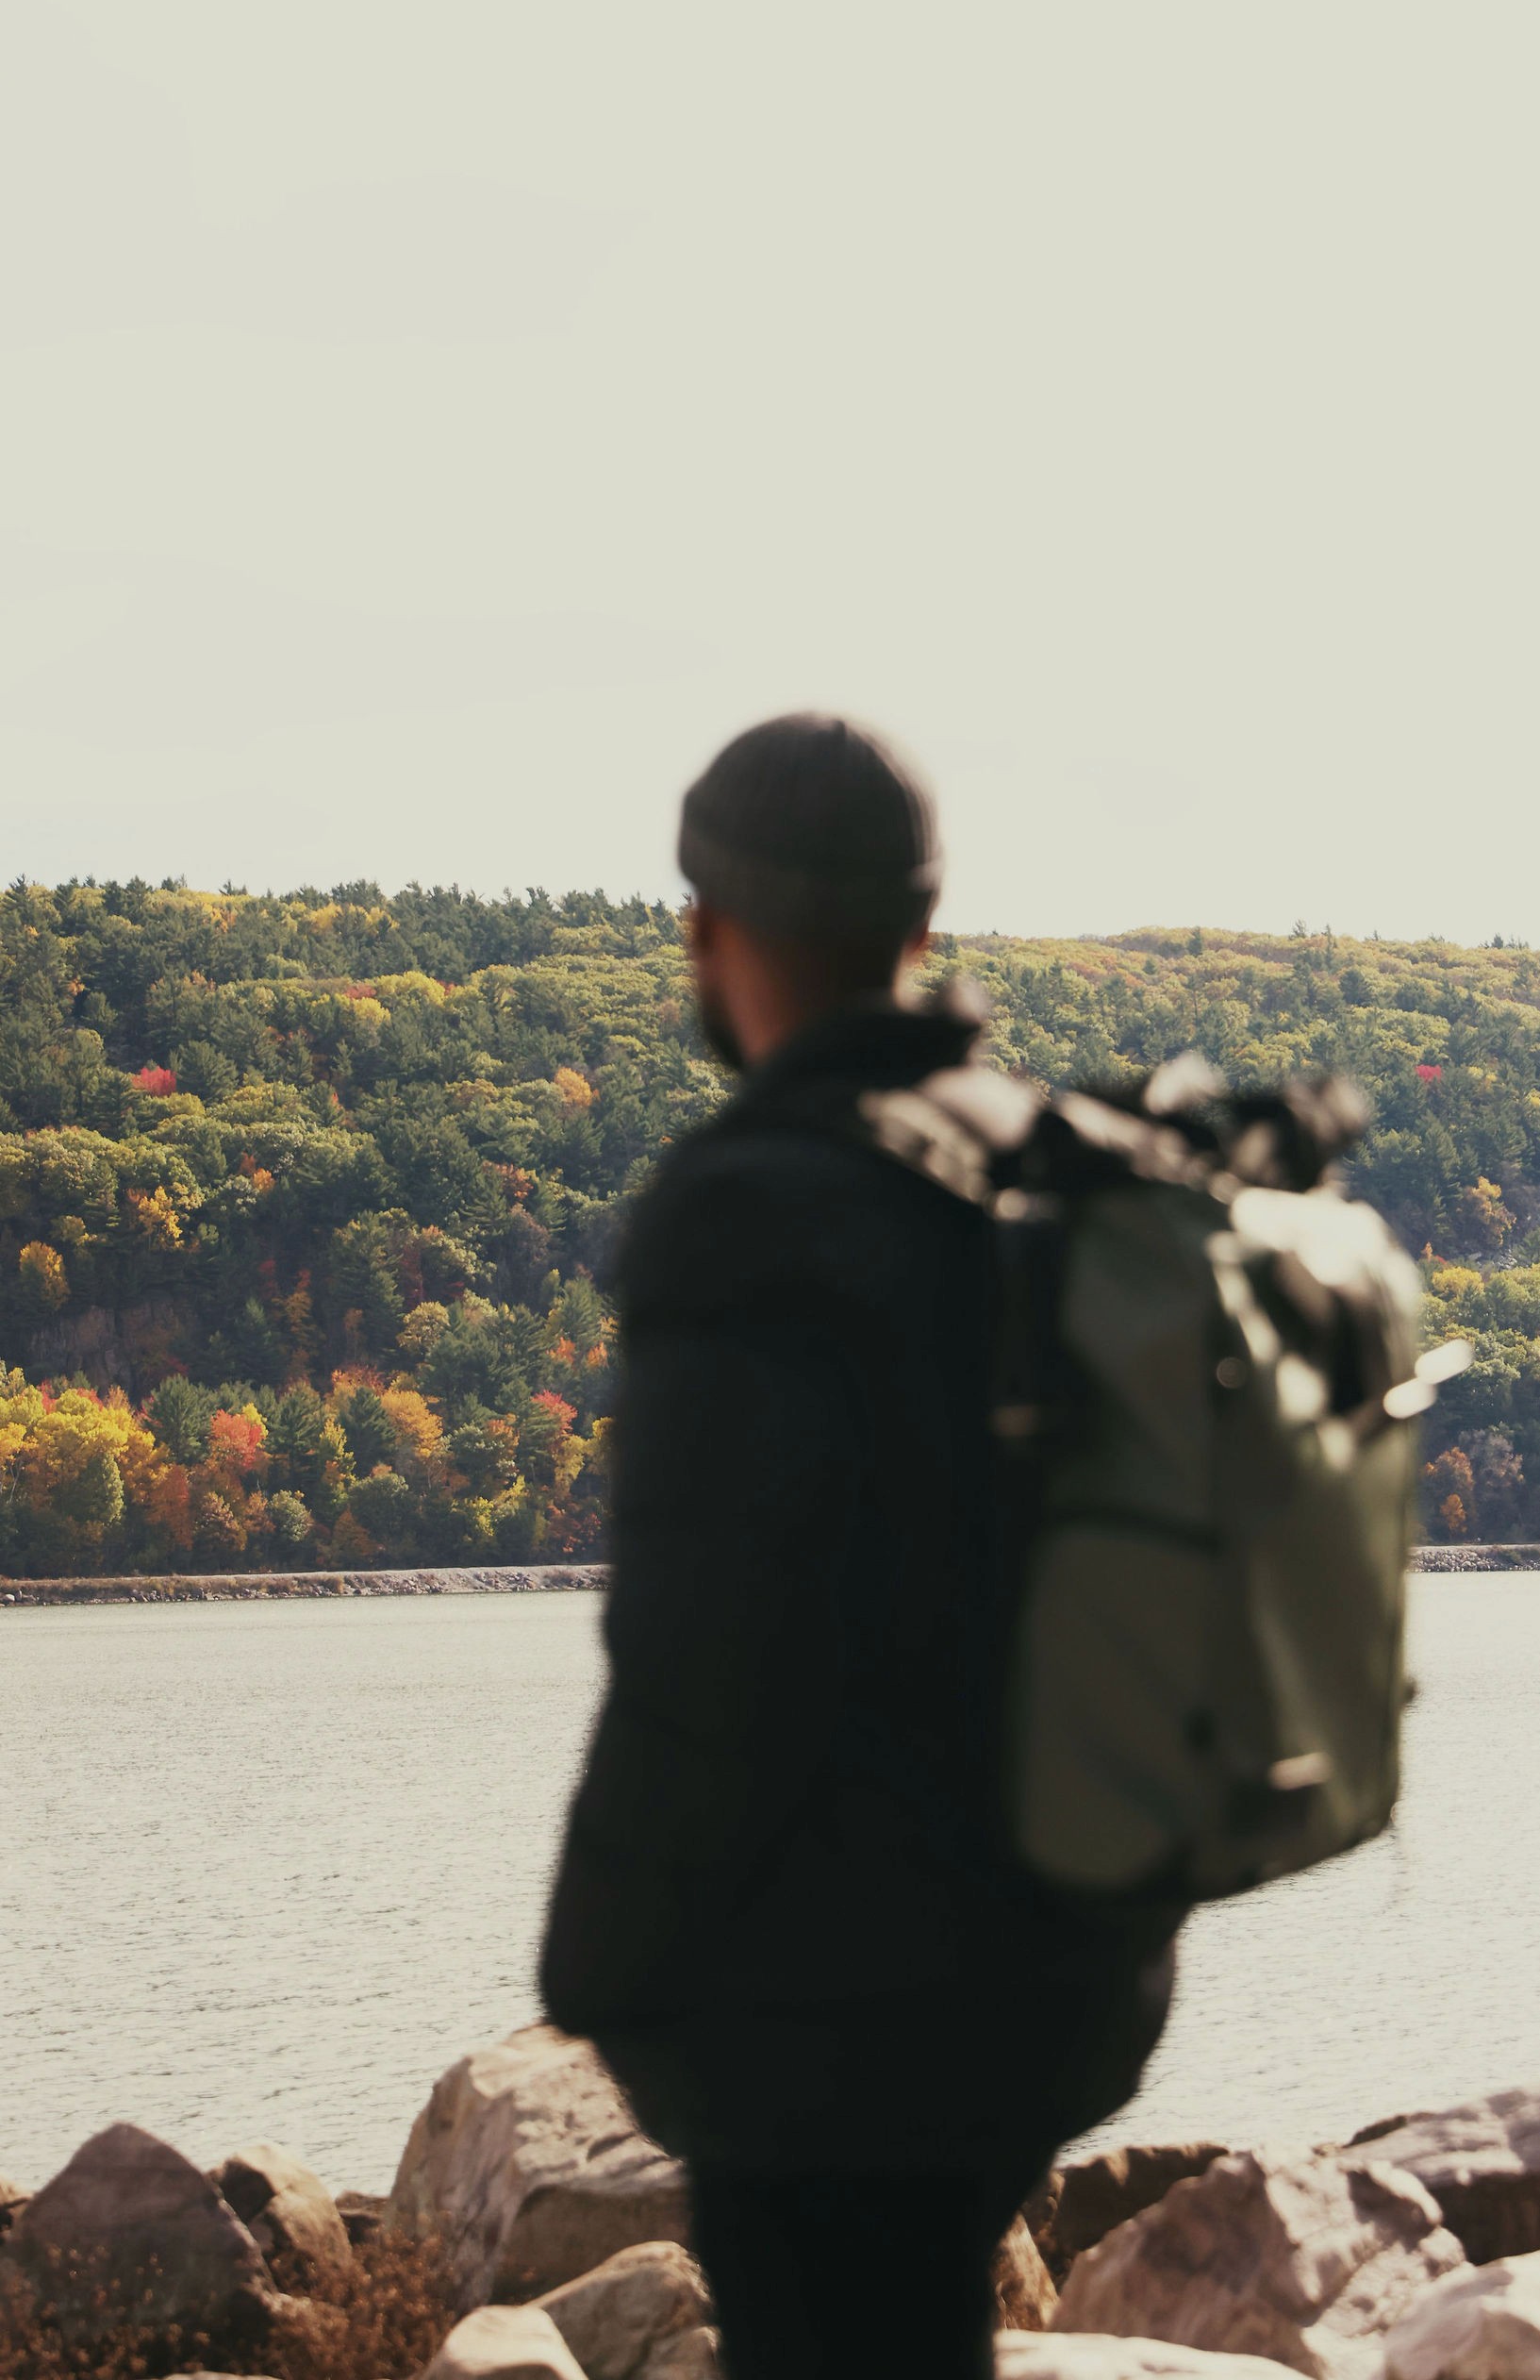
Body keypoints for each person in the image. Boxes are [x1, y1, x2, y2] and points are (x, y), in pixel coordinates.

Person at [541, 714, 1178, 2380]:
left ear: (713, 929)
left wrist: (594, 1971)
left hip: (827, 2022)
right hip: (1058, 1970)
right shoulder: (1041, 1165)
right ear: (919, 923)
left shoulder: (747, 1208)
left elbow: (700, 1659)